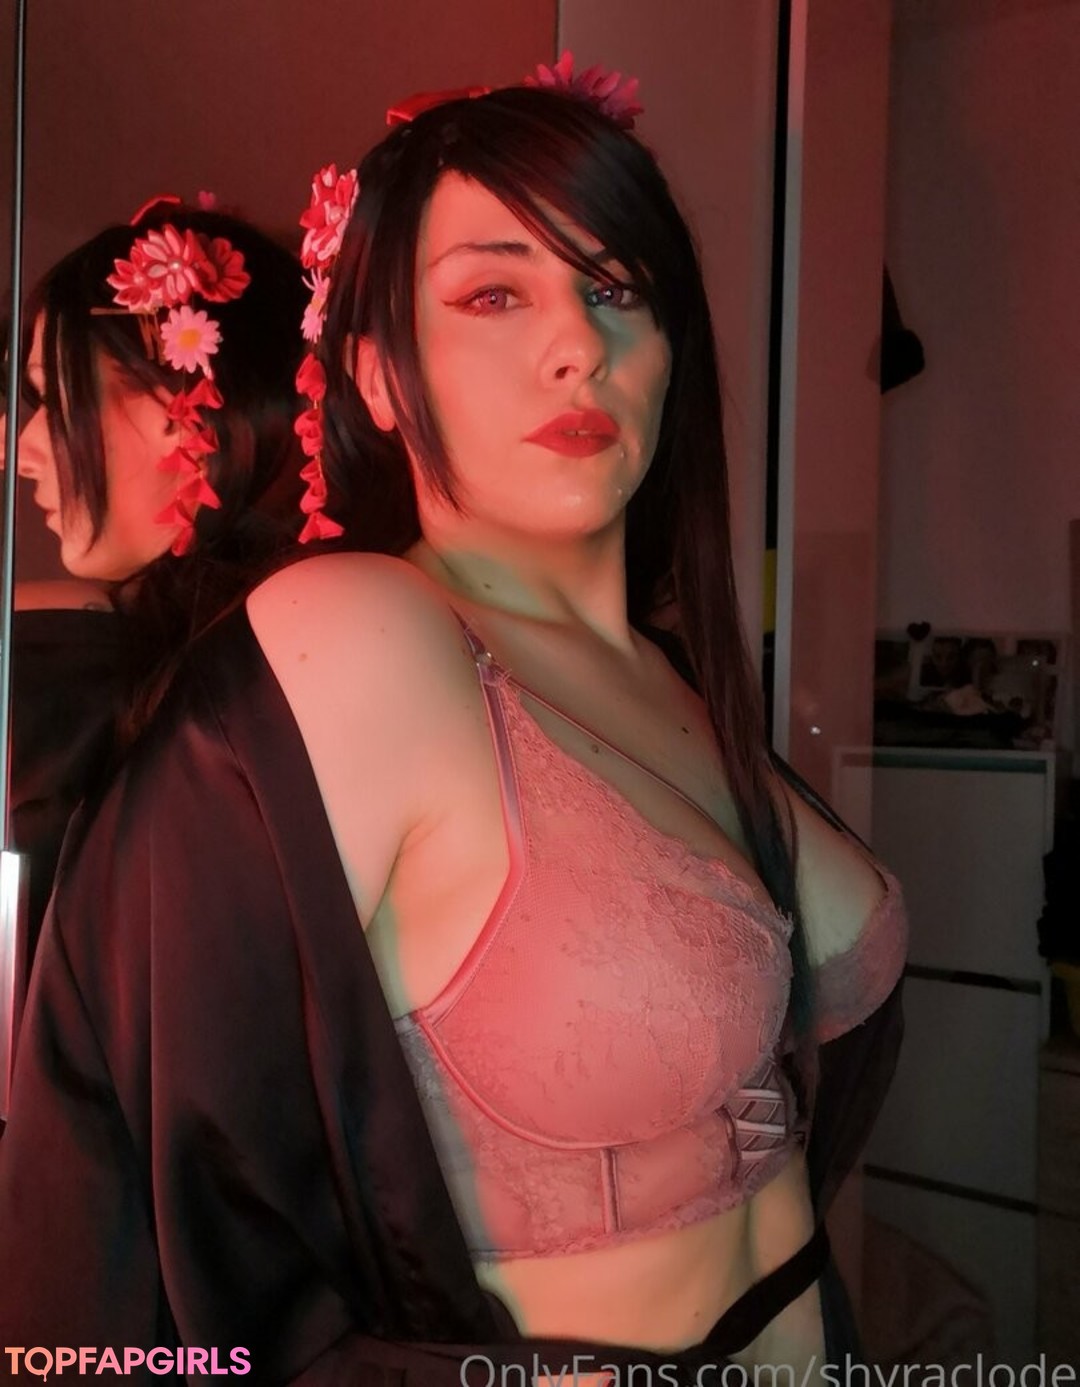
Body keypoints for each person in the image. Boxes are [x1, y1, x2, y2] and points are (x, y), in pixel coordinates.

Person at [0, 65, 907, 1384]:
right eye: (494, 294)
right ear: (375, 371)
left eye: (619, 290)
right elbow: (117, 1187)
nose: (580, 345)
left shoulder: (669, 670)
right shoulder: (367, 636)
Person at [1, 201, 315, 970]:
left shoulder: (86, 674)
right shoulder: (271, 642)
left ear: (175, 410)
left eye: (54, 396)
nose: (21, 448)